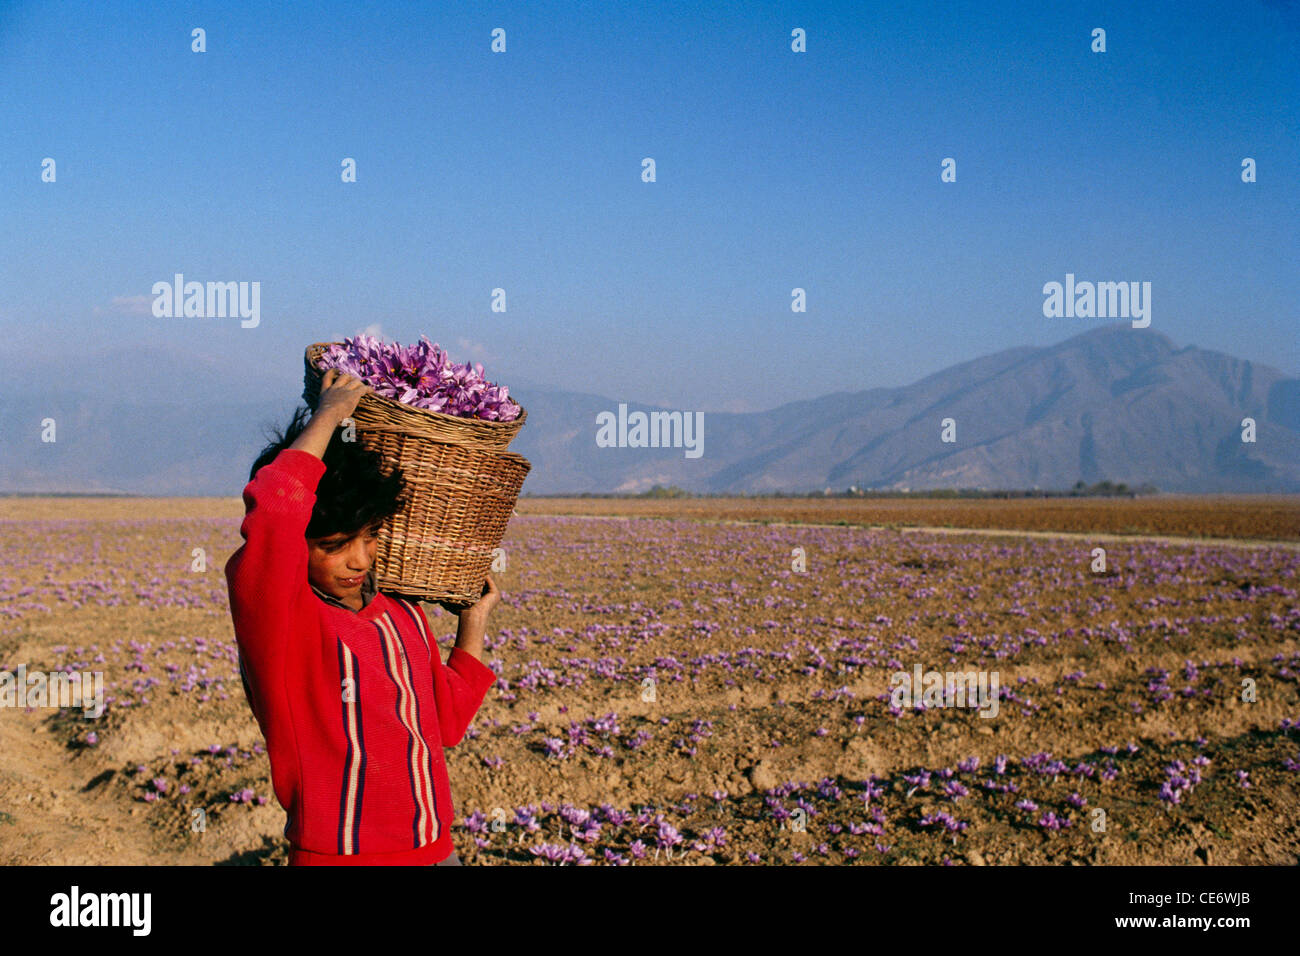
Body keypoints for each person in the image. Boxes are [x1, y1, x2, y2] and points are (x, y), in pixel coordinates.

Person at [225, 368, 500, 865]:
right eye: (334, 546)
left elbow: (447, 724)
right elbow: (275, 511)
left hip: (436, 852)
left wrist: (472, 624)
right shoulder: (283, 619)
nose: (359, 559)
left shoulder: (400, 613)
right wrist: (328, 415)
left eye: (370, 537)